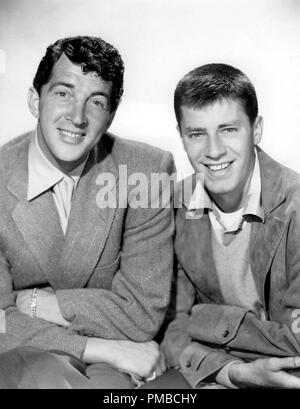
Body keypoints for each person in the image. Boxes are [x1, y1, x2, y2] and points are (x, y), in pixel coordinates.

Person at [0, 35, 175, 388]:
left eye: (95, 101)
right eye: (63, 93)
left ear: (110, 116)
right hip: (29, 355)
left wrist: (28, 303)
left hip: (121, 362)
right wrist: (96, 347)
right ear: (35, 100)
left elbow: (141, 314)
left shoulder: (146, 171)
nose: (77, 117)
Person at [161, 63, 300, 388]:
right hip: (216, 376)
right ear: (181, 137)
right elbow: (169, 328)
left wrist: (203, 318)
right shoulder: (171, 206)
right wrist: (233, 372)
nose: (213, 151)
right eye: (197, 134)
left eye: (228, 129)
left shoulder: (296, 206)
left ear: (257, 129)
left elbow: (296, 345)